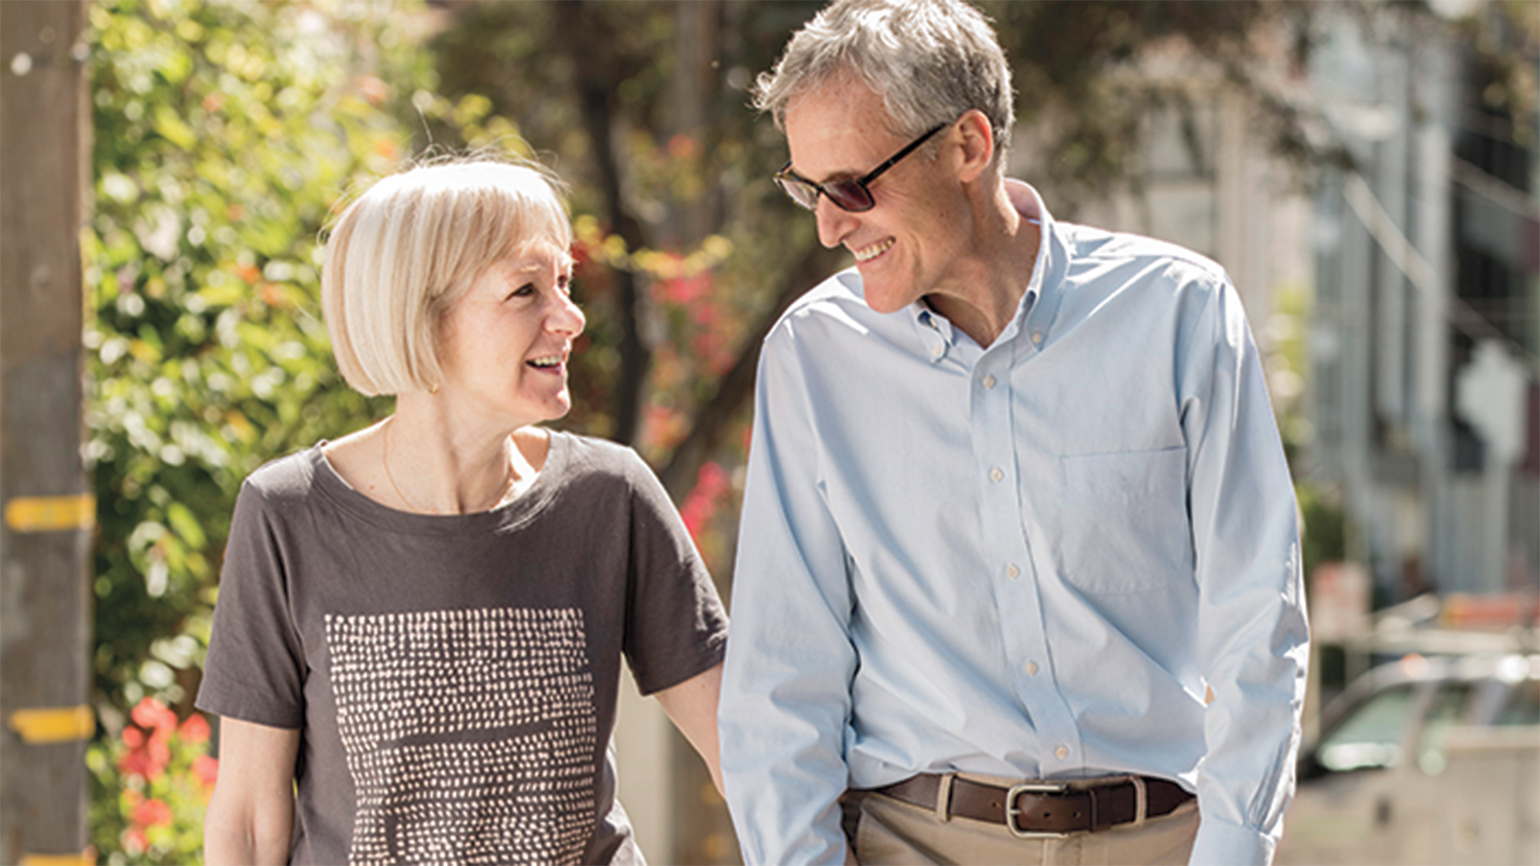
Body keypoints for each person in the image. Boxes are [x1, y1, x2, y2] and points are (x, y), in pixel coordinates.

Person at [717, 1, 1309, 864]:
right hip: (913, 840)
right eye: (808, 191)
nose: (828, 226)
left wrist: (1230, 853)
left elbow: (1259, 616)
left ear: (967, 145)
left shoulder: (1179, 313)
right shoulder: (812, 357)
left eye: (850, 187)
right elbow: (780, 674)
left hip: (1160, 840)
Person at [199, 158, 729, 865]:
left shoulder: (610, 496)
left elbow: (746, 747)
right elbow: (247, 821)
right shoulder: (288, 515)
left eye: (564, 284)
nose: (569, 318)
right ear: (421, 316)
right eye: (525, 290)